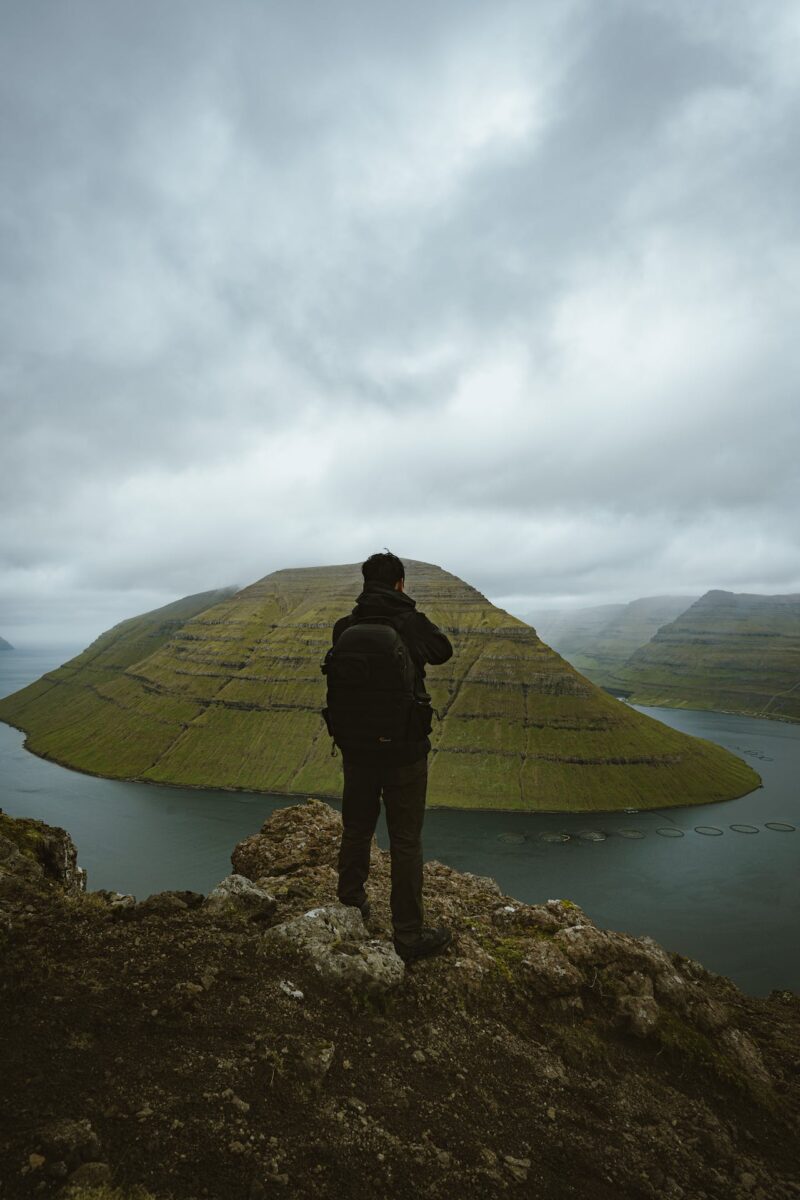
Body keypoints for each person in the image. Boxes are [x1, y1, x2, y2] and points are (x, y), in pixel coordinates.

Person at [329, 551, 454, 964]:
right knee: (404, 841)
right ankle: (409, 934)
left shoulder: (346, 627)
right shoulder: (408, 622)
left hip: (357, 751)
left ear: (365, 584)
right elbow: (442, 651)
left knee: (356, 830)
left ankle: (350, 905)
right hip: (404, 752)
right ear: (400, 583)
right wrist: (412, 617)